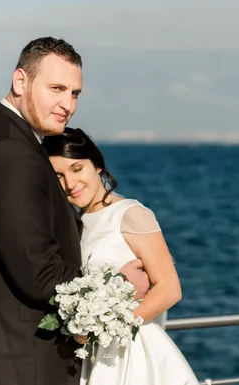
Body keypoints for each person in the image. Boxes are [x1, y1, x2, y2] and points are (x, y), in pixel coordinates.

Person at [0, 37, 149, 385]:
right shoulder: (9, 152)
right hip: (21, 359)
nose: (67, 104)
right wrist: (120, 285)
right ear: (20, 81)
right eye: (56, 88)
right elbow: (38, 275)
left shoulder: (2, 135)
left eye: (75, 93)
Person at [42, 127, 199, 385]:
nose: (70, 184)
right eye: (58, 176)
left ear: (98, 167)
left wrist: (102, 327)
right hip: (97, 356)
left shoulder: (129, 213)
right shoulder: (77, 222)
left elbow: (170, 289)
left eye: (77, 169)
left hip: (134, 353)